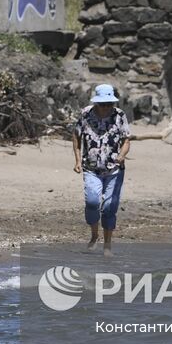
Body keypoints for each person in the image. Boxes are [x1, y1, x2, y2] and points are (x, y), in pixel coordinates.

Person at [72, 83, 131, 256]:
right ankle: (94, 235)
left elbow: (126, 139)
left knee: (109, 208)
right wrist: (77, 160)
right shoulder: (86, 114)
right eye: (103, 104)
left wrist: (121, 155)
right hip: (91, 168)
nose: (106, 107)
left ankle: (107, 244)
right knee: (92, 202)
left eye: (109, 104)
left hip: (114, 170)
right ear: (97, 103)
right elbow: (76, 135)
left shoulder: (120, 115)